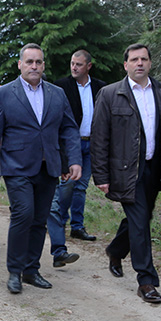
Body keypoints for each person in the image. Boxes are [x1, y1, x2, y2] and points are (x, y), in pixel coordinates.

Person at [91, 44, 161, 304]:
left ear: (150, 62)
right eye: (134, 59)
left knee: (142, 218)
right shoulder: (110, 94)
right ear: (125, 65)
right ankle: (146, 281)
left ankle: (115, 249)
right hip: (125, 171)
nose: (139, 63)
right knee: (139, 220)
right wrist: (100, 175)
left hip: (155, 168)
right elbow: (99, 138)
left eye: (144, 59)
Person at [0, 43, 82, 294]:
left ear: (43, 65)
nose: (34, 66)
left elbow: (69, 128)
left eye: (38, 62)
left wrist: (73, 159)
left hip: (48, 166)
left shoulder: (56, 94)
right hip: (17, 166)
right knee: (24, 214)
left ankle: (31, 269)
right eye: (29, 62)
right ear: (20, 64)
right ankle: (14, 271)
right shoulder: (5, 94)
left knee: (40, 219)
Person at [47, 49, 106, 263]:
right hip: (70, 144)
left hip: (92, 142)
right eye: (72, 63)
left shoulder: (100, 87)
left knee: (82, 186)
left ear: (88, 66)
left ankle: (77, 226)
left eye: (79, 64)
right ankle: (60, 222)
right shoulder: (61, 86)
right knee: (68, 185)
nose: (74, 67)